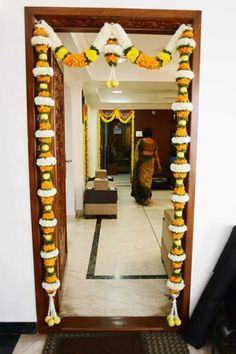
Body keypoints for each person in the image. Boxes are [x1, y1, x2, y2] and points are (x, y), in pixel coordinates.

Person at [131, 127, 162, 205]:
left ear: (143, 133)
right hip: (151, 163)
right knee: (148, 181)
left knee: (142, 180)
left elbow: (137, 154)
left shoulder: (141, 141)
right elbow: (156, 155)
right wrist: (159, 165)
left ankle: (144, 197)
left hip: (142, 163)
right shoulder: (154, 142)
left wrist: (136, 164)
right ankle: (146, 196)